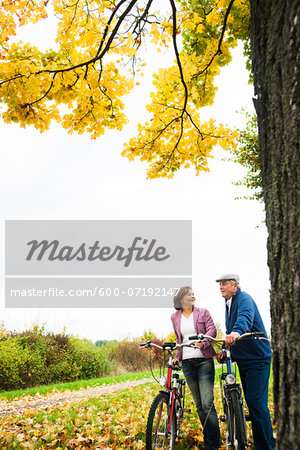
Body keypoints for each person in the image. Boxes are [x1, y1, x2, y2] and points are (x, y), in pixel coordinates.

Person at [215, 273, 275, 450]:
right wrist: (224, 350)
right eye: (219, 284)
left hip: (258, 358)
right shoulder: (229, 303)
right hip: (245, 360)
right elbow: (230, 331)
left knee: (257, 403)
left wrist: (236, 332)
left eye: (224, 283)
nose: (220, 287)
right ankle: (259, 444)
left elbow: (245, 318)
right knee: (252, 402)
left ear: (235, 285)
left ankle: (267, 447)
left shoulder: (244, 299)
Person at [171, 286, 220, 450]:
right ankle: (209, 438)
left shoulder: (203, 312)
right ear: (181, 299)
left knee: (207, 403)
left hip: (204, 360)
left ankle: (213, 443)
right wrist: (177, 357)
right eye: (189, 294)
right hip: (187, 362)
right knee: (199, 405)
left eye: (193, 294)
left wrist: (204, 342)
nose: (193, 296)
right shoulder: (174, 317)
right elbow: (179, 339)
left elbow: (212, 330)